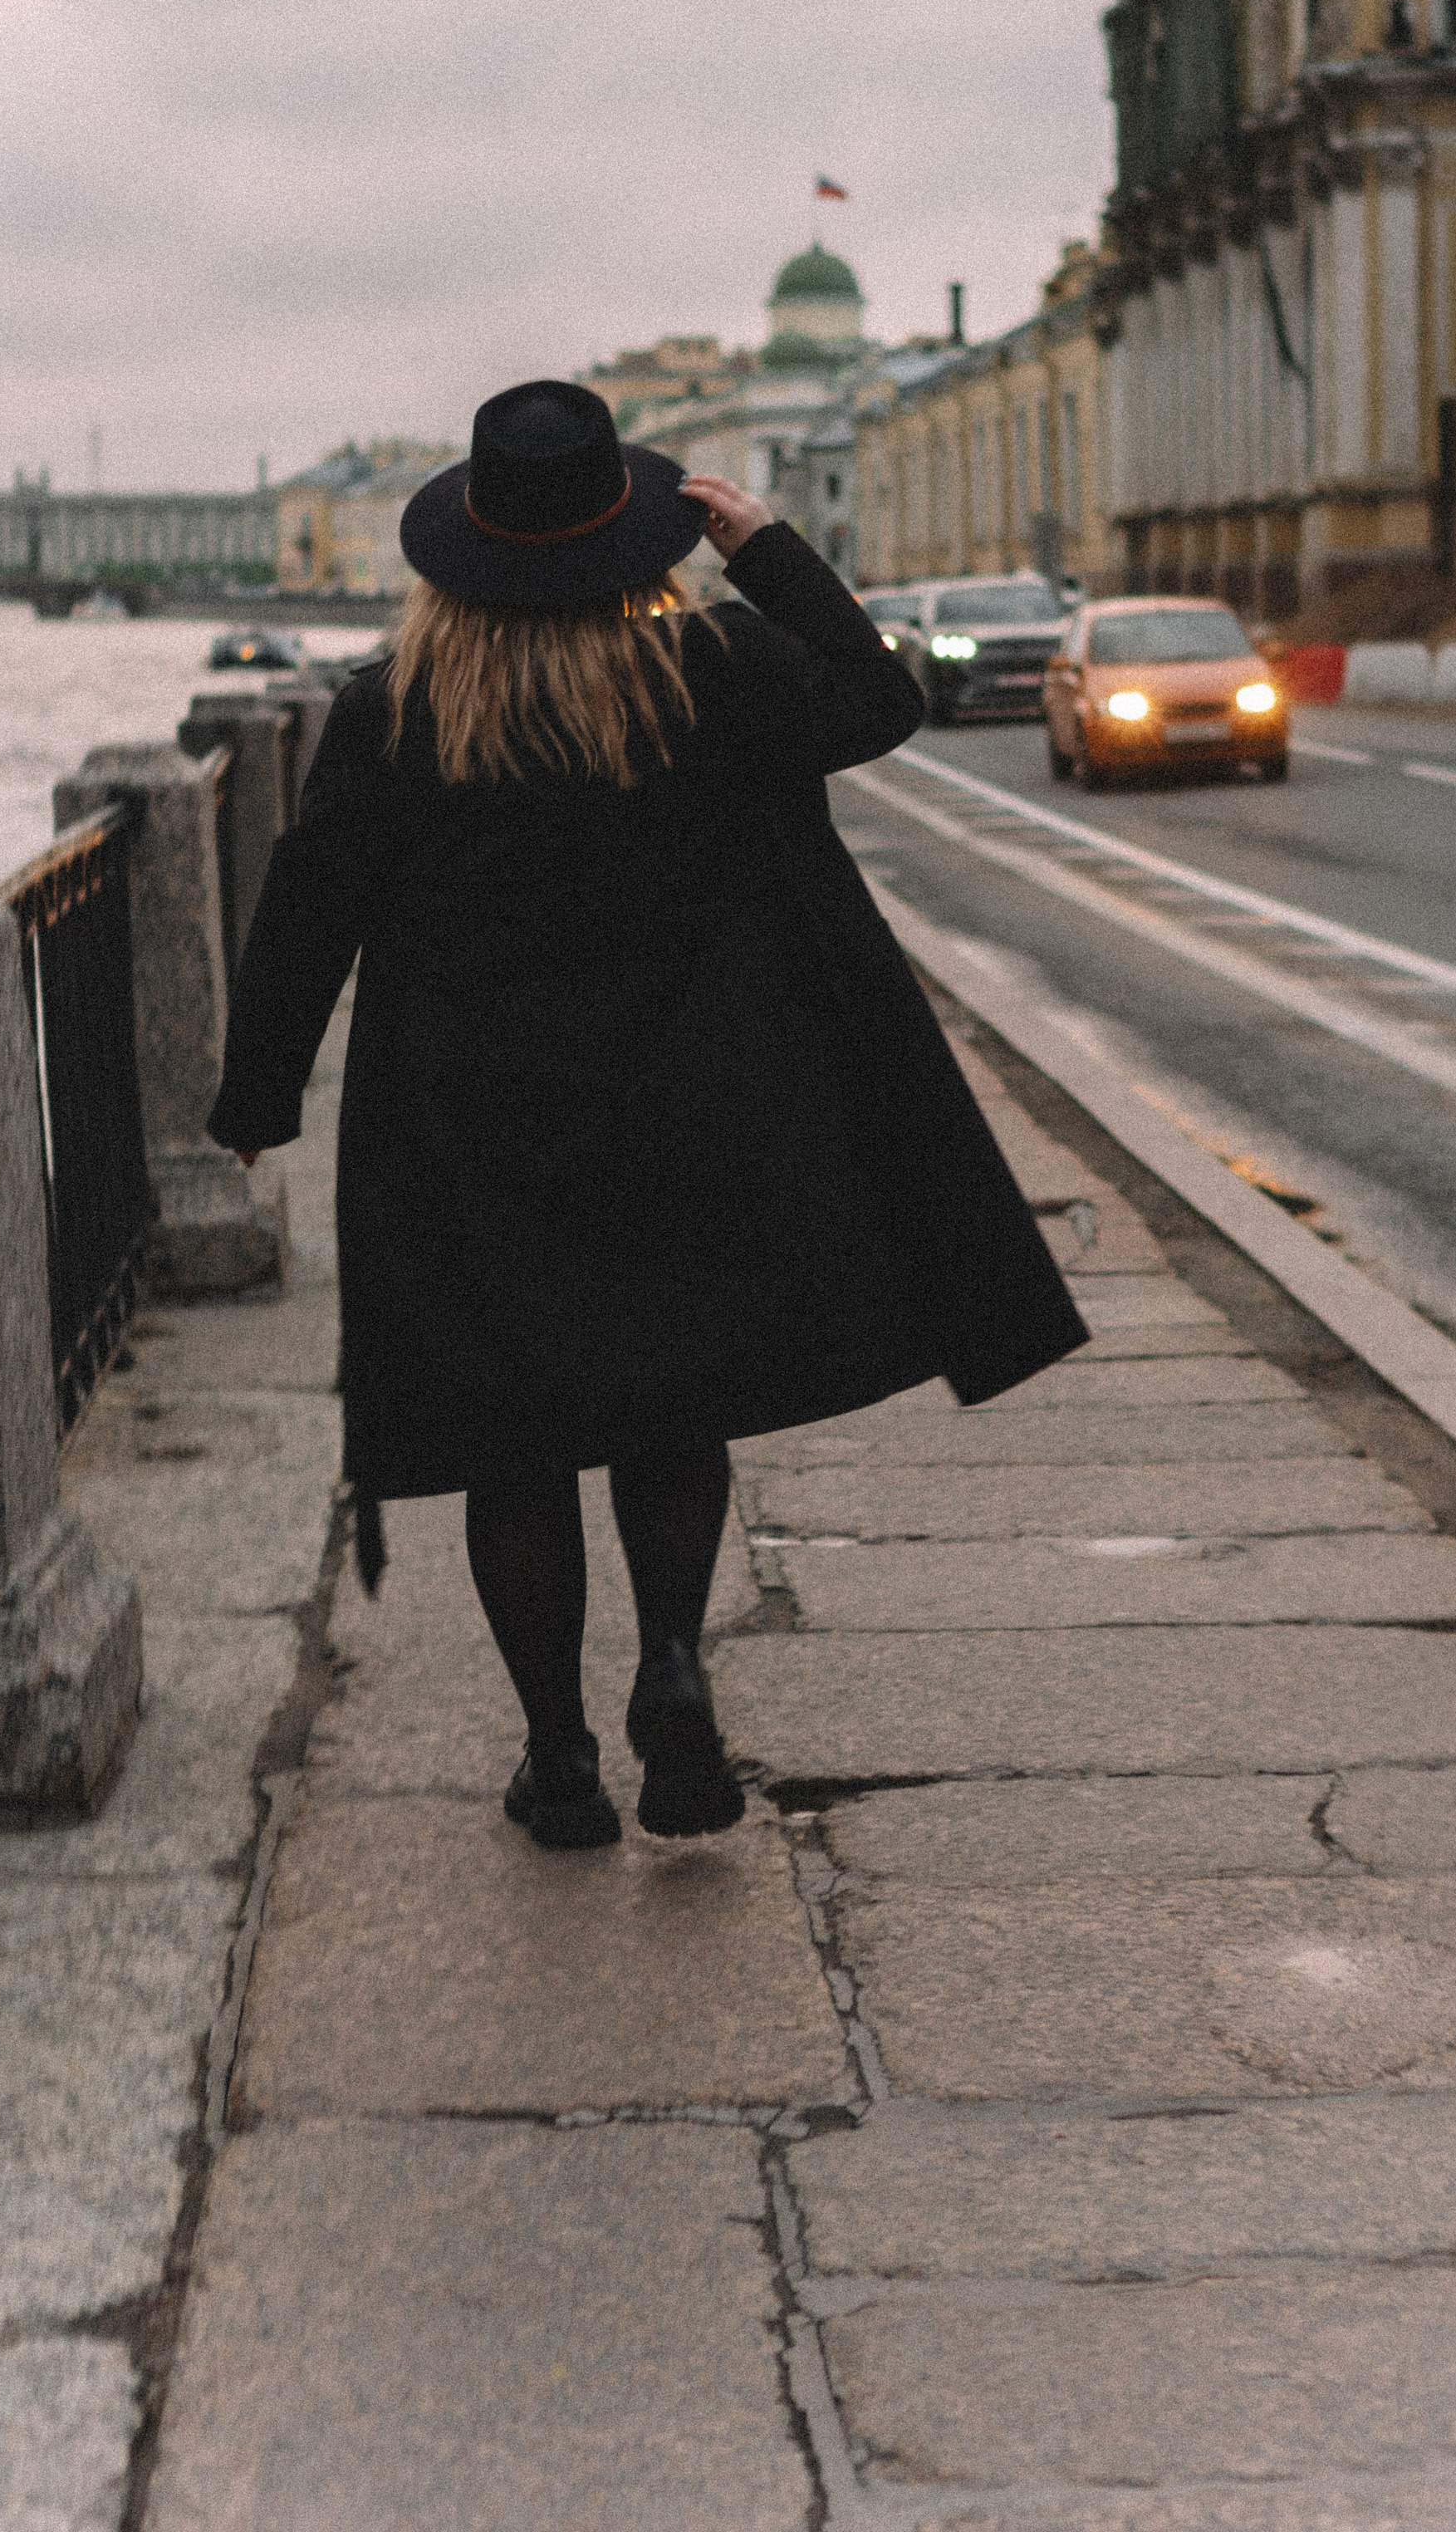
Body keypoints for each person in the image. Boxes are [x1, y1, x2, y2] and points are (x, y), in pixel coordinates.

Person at [208, 380, 1084, 1850]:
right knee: (670, 1412)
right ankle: (673, 1671)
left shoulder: (398, 710)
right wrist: (766, 547)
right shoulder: (712, 671)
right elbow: (881, 700)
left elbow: (312, 906)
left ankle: (558, 1757)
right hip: (688, 1113)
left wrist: (256, 1098)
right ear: (635, 531)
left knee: (518, 1443)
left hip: (473, 1135)